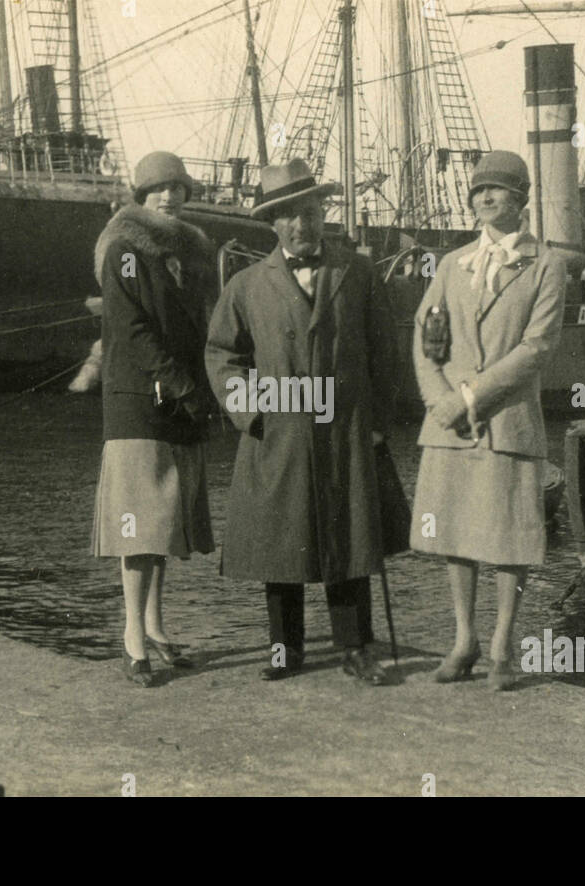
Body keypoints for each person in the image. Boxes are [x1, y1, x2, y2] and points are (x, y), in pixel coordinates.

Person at [205, 159, 397, 685]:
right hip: (281, 431)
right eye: (287, 216)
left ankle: (357, 648)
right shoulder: (247, 285)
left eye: (308, 212)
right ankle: (284, 650)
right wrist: (252, 411)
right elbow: (221, 355)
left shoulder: (357, 274)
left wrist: (377, 423)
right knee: (281, 544)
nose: (300, 225)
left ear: (322, 212)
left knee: (350, 539)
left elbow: (386, 353)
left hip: (344, 430)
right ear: (273, 224)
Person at [410, 150, 567, 690]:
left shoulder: (545, 264)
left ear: (520, 199)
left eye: (496, 190)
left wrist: (469, 397)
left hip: (507, 421)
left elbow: (537, 347)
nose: (485, 199)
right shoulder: (452, 265)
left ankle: (501, 643)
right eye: (478, 191)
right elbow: (424, 337)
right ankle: (463, 640)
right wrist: (439, 401)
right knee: (454, 533)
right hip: (451, 424)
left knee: (508, 539)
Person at [91, 151, 218, 687]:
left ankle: (157, 629)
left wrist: (198, 386)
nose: (169, 197)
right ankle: (132, 638)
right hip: (141, 401)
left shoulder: (188, 252)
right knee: (139, 526)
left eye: (177, 188)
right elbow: (133, 329)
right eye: (158, 189)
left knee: (162, 523)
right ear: (140, 196)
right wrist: (186, 385)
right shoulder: (124, 249)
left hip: (178, 400)